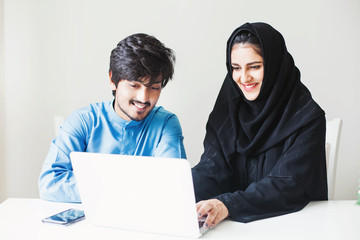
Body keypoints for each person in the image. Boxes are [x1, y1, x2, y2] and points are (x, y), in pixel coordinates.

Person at [192, 22, 327, 227]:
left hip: (292, 228)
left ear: (274, 66)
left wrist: (227, 204)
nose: (244, 77)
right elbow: (212, 169)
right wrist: (179, 192)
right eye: (236, 68)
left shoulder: (307, 118)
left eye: (254, 66)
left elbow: (287, 185)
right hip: (234, 230)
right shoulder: (225, 113)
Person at [39, 33, 186, 203]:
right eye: (134, 85)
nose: (144, 98)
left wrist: (98, 187)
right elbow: (50, 183)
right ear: (112, 80)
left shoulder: (166, 124)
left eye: (154, 87)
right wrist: (123, 189)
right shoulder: (83, 121)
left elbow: (171, 186)